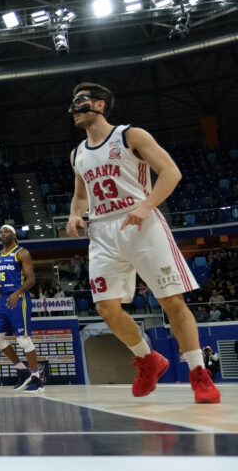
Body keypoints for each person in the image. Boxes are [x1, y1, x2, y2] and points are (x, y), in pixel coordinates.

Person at [66, 83, 220, 404]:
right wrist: (74, 216)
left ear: (100, 104)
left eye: (81, 102)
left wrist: (146, 205)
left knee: (171, 302)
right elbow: (81, 196)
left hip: (142, 224)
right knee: (106, 308)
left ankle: (198, 373)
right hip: (102, 232)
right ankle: (148, 358)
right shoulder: (78, 153)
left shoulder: (131, 136)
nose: (75, 109)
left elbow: (171, 172)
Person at [0, 225, 44, 393]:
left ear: (14, 234)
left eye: (6, 231)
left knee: (23, 339)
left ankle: (37, 378)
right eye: (0, 232)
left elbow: (32, 279)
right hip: (4, 299)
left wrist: (18, 292)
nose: (2, 234)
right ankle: (23, 370)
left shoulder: (22, 253)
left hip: (19, 299)